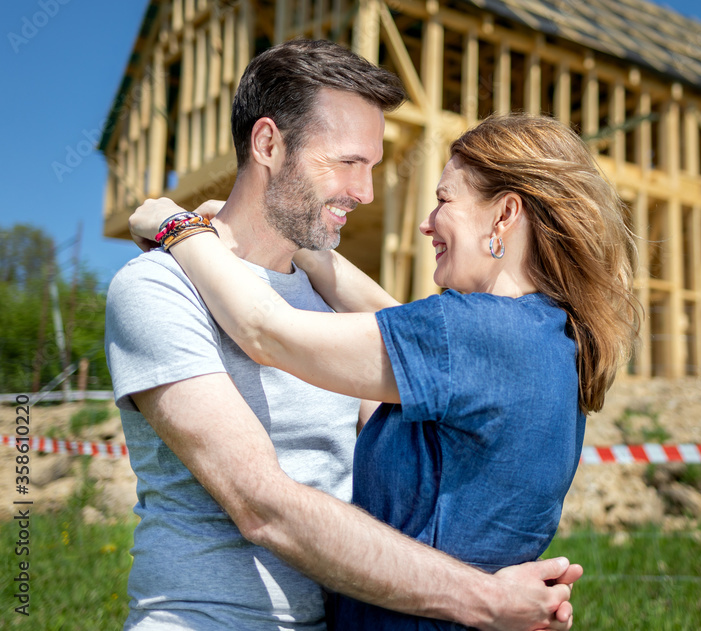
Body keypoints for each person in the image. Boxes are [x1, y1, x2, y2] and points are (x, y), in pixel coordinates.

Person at [106, 39, 579, 631]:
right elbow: (262, 505)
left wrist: (187, 228)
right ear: (269, 144)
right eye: (349, 162)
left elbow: (428, 374)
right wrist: (486, 599)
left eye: (373, 167)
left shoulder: (330, 310)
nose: (367, 192)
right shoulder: (159, 287)